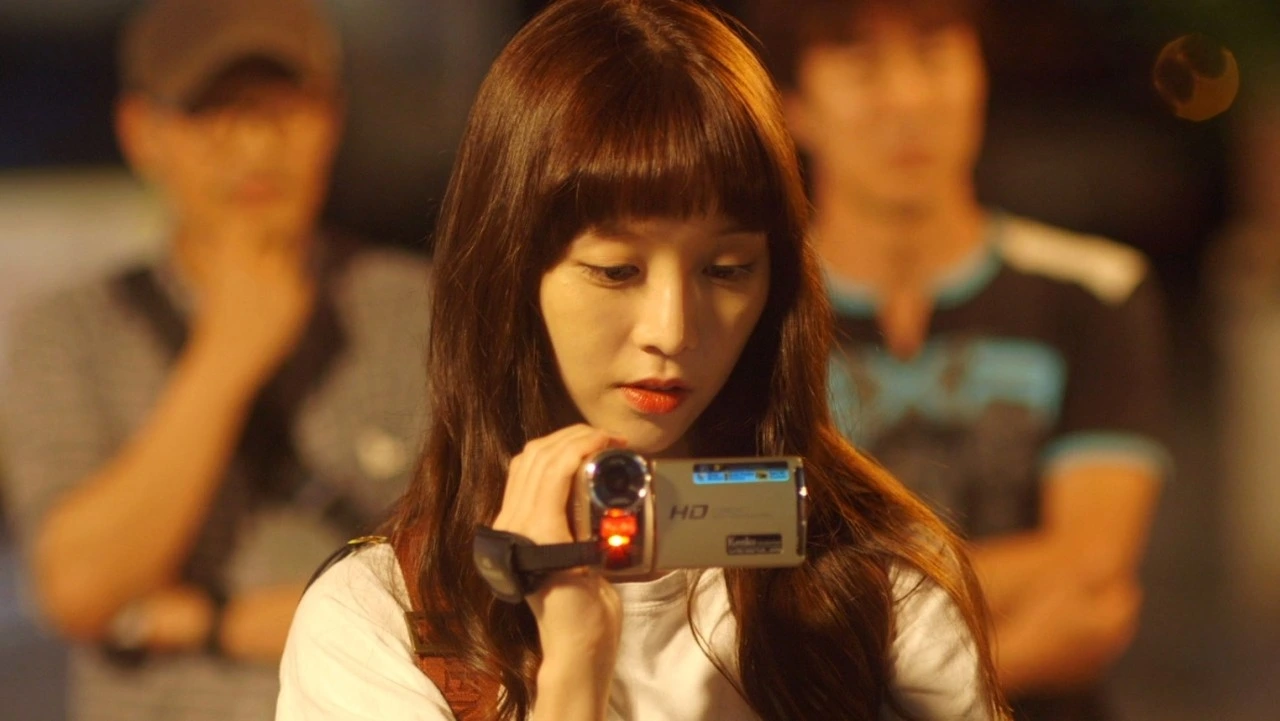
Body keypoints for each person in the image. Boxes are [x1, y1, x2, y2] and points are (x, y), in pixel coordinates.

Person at [276, 1, 1008, 719]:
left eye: (726, 270)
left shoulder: (877, 584)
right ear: (510, 271)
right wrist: (573, 663)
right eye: (616, 271)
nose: (671, 329)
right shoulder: (383, 619)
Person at [0, 1, 429, 719]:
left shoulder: (423, 309)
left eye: (284, 109)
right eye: (213, 112)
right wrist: (228, 356)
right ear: (141, 133)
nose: (256, 144)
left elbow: (472, 583)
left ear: (332, 118)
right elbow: (76, 588)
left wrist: (208, 621)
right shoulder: (69, 330)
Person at [743, 0, 1171, 718]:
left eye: (934, 52)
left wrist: (847, 625)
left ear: (980, 75)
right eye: (861, 63)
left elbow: (1092, 575)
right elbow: (748, 580)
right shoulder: (753, 307)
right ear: (793, 105)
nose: (908, 98)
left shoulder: (1095, 291)